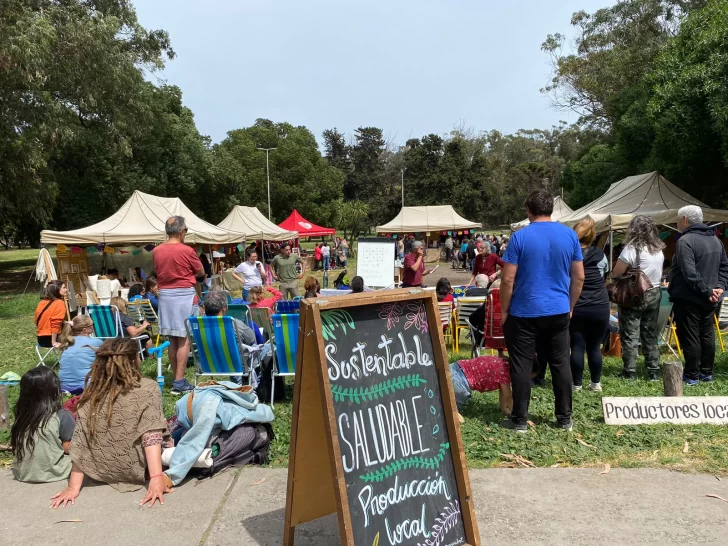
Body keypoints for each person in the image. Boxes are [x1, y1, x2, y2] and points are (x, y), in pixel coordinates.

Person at [51, 339, 173, 508]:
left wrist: (73, 487)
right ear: (134, 360)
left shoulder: (93, 391)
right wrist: (156, 478)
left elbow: (81, 440)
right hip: (139, 468)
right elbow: (150, 434)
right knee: (178, 426)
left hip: (101, 469)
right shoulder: (147, 388)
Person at [500, 189, 584, 433]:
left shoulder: (519, 237)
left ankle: (519, 420)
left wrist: (504, 310)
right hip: (557, 310)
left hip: (524, 311)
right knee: (561, 363)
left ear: (528, 210)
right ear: (551, 209)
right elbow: (578, 277)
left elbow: (507, 280)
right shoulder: (569, 236)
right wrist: (570, 306)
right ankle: (564, 418)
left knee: (522, 365)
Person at [669, 205, 728, 385]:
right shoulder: (715, 240)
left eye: (678, 220)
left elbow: (690, 273)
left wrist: (709, 290)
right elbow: (724, 267)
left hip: (690, 296)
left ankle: (692, 374)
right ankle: (706, 372)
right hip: (710, 297)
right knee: (707, 334)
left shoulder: (685, 241)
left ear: (685, 220)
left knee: (690, 335)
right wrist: (719, 287)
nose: (678, 223)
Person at [152, 216, 204, 395]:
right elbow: (201, 271)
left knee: (172, 339)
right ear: (181, 231)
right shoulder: (187, 250)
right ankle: (179, 381)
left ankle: (177, 378)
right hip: (183, 294)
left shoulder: (157, 250)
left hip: (165, 295)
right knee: (184, 339)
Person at [611, 215, 665, 381]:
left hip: (635, 295)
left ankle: (630, 372)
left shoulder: (631, 249)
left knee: (630, 333)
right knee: (650, 333)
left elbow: (616, 273)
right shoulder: (658, 249)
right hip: (655, 293)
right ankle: (653, 370)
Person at [11, 367, 75, 483]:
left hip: (22, 473)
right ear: (54, 389)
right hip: (56, 472)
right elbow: (68, 449)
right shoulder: (62, 415)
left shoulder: (22, 413)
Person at [570, 218, 610, 392]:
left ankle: (576, 384)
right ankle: (596, 383)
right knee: (594, 346)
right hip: (600, 305)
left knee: (577, 345)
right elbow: (604, 276)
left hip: (577, 304)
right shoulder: (601, 255)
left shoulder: (569, 254)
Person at [58, 316, 103, 394]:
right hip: (86, 386)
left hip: (64, 386)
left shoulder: (67, 342)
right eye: (92, 325)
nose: (93, 326)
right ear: (84, 330)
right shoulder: (96, 342)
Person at [35, 280, 67, 349]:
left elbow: (37, 320)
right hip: (52, 339)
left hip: (41, 339)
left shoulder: (42, 302)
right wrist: (54, 342)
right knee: (79, 338)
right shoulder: (59, 303)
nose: (66, 290)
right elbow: (55, 324)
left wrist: (66, 322)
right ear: (56, 290)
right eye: (64, 288)